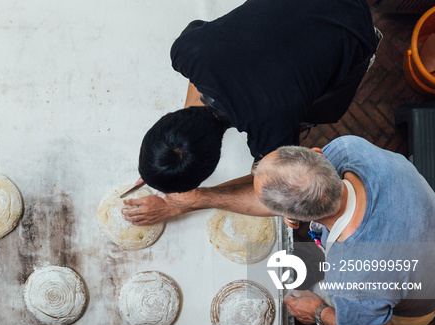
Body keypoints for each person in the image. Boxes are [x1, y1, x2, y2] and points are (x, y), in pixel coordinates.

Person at [138, 135, 435, 325]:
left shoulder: (355, 279)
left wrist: (319, 312)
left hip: (423, 295)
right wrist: (194, 200)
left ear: (291, 217)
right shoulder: (350, 150)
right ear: (318, 154)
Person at [125, 0, 380, 225]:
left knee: (324, 105)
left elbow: (276, 195)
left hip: (352, 21)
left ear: (215, 158)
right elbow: (202, 67)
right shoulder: (187, 52)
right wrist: (168, 154)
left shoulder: (273, 125)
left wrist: (192, 201)